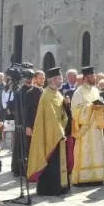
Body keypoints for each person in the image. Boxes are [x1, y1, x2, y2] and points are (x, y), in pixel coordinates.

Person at [27, 67, 70, 196]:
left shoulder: (58, 93)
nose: (61, 80)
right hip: (49, 134)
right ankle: (50, 188)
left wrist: (66, 105)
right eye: (59, 78)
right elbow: (50, 117)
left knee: (59, 161)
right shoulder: (46, 95)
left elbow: (63, 114)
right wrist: (59, 132)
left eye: (61, 78)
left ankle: (61, 186)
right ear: (53, 80)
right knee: (51, 161)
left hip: (58, 133)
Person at [70, 67, 104, 186]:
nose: (94, 78)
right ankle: (82, 178)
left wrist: (101, 107)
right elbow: (75, 111)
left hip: (96, 127)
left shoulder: (95, 90)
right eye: (92, 76)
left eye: (94, 76)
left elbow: (99, 104)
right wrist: (91, 106)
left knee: (96, 151)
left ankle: (97, 176)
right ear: (85, 78)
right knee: (85, 152)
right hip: (85, 129)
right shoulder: (78, 92)